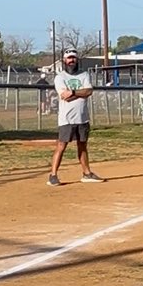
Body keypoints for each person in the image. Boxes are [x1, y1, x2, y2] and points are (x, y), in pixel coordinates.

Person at [48, 48, 103, 186]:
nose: (71, 60)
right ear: (64, 61)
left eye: (73, 58)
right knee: (61, 146)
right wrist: (80, 93)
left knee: (82, 146)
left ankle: (86, 173)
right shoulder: (60, 77)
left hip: (82, 117)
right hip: (67, 118)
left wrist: (73, 91)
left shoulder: (84, 75)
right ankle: (53, 175)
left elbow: (89, 91)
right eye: (69, 58)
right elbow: (64, 96)